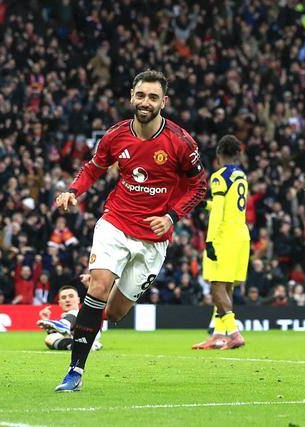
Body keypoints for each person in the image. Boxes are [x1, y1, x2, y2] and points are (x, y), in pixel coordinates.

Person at [53, 70, 207, 391]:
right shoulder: (115, 135)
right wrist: (73, 190)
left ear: (164, 102)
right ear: (131, 97)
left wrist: (172, 217)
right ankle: (75, 371)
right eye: (140, 95)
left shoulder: (181, 142)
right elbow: (94, 167)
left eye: (153, 97)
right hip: (116, 222)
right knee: (99, 286)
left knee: (114, 312)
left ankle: (77, 319)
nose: (145, 102)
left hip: (153, 240)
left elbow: (198, 187)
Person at [192, 135, 248, 350]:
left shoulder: (219, 177)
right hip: (241, 236)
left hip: (223, 237)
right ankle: (218, 334)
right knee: (227, 286)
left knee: (216, 286)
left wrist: (210, 241)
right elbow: (225, 207)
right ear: (238, 154)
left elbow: (218, 215)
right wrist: (205, 205)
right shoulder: (240, 176)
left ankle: (233, 333)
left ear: (218, 155)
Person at [37, 285, 102, 352]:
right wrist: (46, 320)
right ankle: (81, 346)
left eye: (71, 296)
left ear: (78, 300)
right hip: (81, 339)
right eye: (63, 297)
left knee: (74, 314)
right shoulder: (67, 316)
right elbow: (56, 334)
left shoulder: (80, 313)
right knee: (50, 338)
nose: (67, 300)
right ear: (59, 303)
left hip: (88, 334)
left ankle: (65, 325)